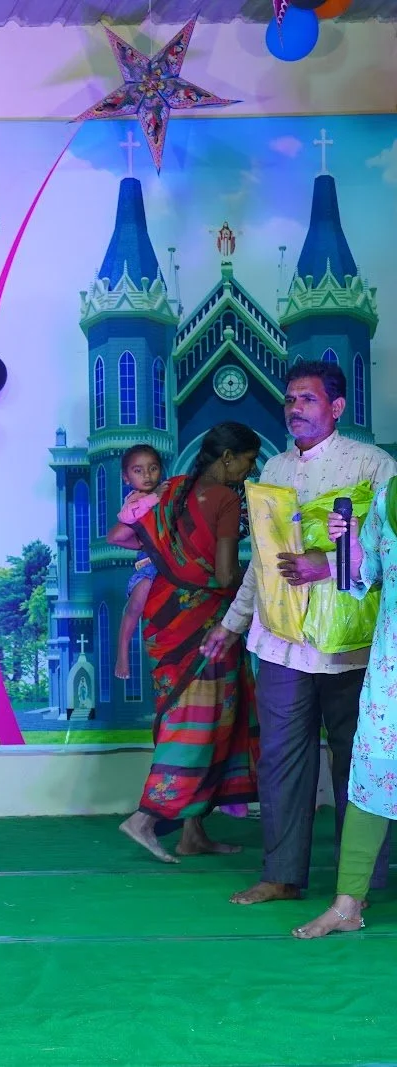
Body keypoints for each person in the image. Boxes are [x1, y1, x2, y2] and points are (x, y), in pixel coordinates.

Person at [200, 361, 397, 905]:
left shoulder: (373, 465)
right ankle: (281, 874)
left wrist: (326, 564)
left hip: (351, 643)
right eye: (290, 400)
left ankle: (360, 883)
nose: (295, 409)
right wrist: (232, 624)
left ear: (336, 407)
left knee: (355, 757)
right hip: (282, 640)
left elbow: (387, 550)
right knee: (281, 756)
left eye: (307, 399)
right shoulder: (275, 469)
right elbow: (264, 563)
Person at [108, 425, 260, 863]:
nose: (250, 469)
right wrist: (260, 581)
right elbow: (226, 574)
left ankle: (193, 832)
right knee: (198, 721)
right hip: (206, 625)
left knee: (196, 716)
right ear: (228, 458)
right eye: (248, 460)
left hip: (164, 618)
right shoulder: (226, 498)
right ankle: (145, 819)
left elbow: (128, 536)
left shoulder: (171, 489)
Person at [293, 479, 397, 937]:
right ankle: (346, 906)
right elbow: (363, 575)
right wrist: (350, 540)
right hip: (392, 666)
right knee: (372, 773)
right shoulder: (389, 497)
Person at [115, 445, 165, 681]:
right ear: (126, 478)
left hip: (170, 560)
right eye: (138, 470)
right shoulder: (136, 499)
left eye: (153, 468)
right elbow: (126, 517)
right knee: (137, 601)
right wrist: (155, 498)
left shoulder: (166, 493)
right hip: (148, 564)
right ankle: (123, 651)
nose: (147, 475)